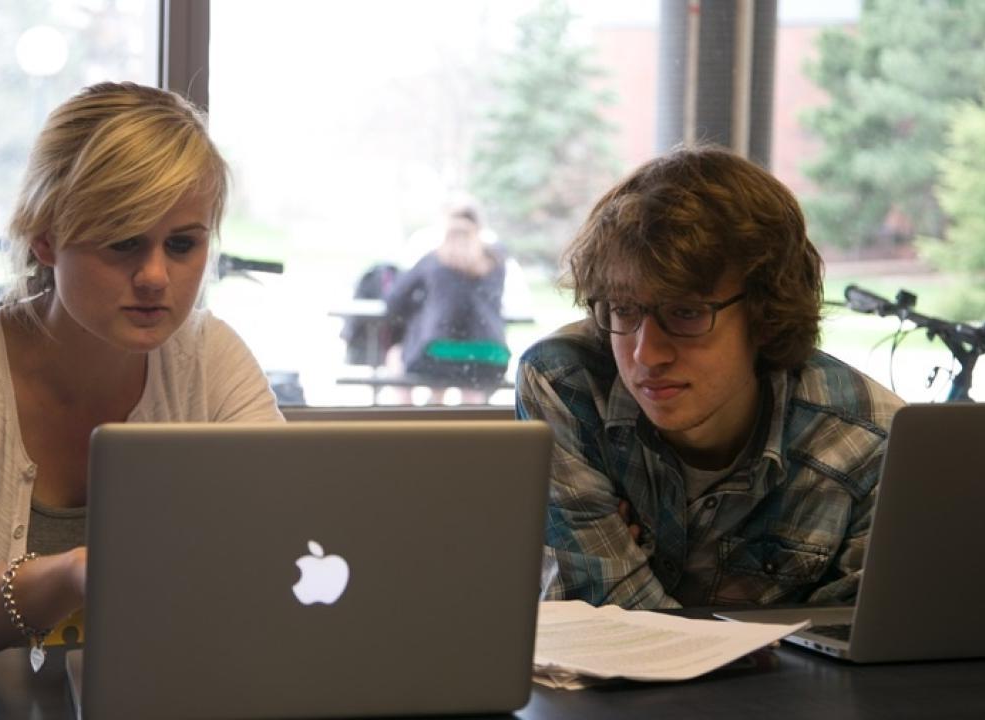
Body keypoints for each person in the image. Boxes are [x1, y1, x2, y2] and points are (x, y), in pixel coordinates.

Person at [0, 82, 283, 665]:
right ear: (45, 240)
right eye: (123, 243)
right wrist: (73, 576)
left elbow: (283, 536)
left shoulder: (210, 358)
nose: (156, 276)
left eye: (182, 244)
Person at [516, 146, 904, 610]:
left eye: (686, 313)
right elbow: (604, 630)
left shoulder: (872, 442)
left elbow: (849, 655)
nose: (646, 353)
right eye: (623, 309)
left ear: (765, 315)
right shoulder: (567, 385)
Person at [384, 203, 512, 405]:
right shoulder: (496, 261)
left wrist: (422, 304)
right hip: (491, 353)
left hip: (436, 351)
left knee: (399, 357)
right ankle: (473, 426)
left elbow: (395, 300)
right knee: (473, 390)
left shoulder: (433, 260)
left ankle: (413, 423)